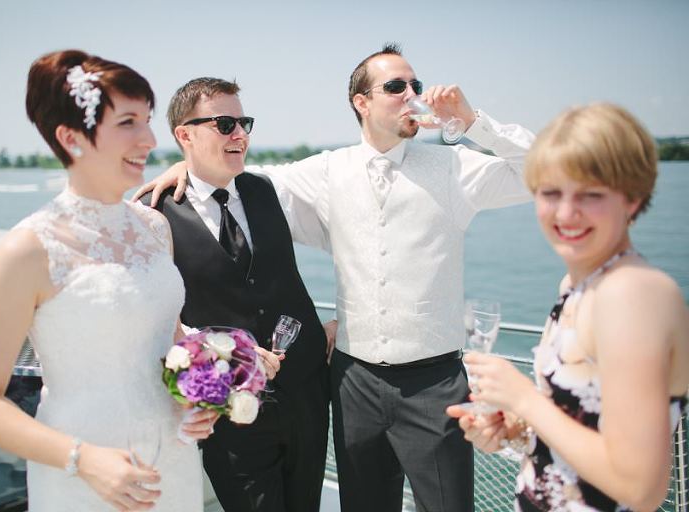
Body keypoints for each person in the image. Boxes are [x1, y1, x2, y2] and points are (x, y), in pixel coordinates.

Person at [134, 43, 536, 512]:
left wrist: (472, 124)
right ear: (361, 102)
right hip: (352, 383)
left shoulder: (455, 167)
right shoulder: (322, 173)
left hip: (435, 384)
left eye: (415, 86)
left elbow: (544, 172)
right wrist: (186, 161)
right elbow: (223, 177)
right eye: (395, 86)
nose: (412, 95)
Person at [0, 49, 224, 511]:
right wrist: (84, 460)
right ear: (70, 136)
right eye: (128, 123)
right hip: (84, 479)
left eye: (148, 120)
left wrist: (198, 396)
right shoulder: (28, 249)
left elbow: (169, 341)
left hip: (171, 465)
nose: (149, 138)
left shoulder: (154, 229)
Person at [447, 103, 689, 511]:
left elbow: (641, 488)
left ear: (633, 198)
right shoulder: (576, 286)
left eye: (590, 195)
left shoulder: (634, 293)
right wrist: (513, 430)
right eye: (551, 192)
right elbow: (577, 425)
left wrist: (524, 399)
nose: (565, 212)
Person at [138, 77, 331, 512]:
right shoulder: (155, 214)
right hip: (229, 411)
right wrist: (226, 355)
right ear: (185, 134)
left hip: (306, 395)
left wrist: (342, 324)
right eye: (225, 123)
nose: (240, 134)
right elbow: (155, 320)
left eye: (244, 122)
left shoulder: (269, 190)